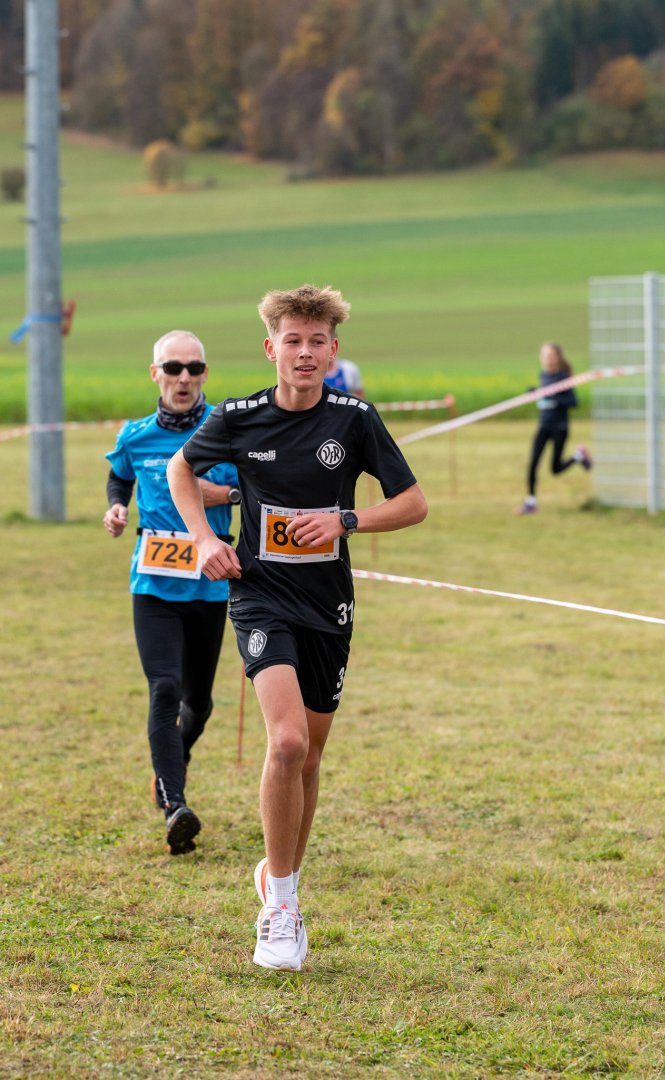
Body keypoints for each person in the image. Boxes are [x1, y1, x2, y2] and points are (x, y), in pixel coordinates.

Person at [167, 284, 427, 970]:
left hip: (328, 607)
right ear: (271, 348)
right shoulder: (239, 417)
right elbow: (180, 470)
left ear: (333, 351)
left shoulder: (355, 420)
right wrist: (203, 539)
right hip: (260, 597)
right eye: (293, 341)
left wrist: (347, 520)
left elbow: (413, 503)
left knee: (309, 758)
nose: (305, 353)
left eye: (317, 342)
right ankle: (280, 910)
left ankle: (278, 875)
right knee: (285, 743)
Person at [103, 330, 241, 855]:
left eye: (194, 368)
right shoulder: (136, 435)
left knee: (198, 703)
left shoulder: (226, 432)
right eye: (173, 367)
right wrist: (118, 506)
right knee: (164, 689)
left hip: (209, 584)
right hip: (154, 583)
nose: (184, 377)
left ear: (205, 374)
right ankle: (175, 805)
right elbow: (120, 476)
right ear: (155, 374)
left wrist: (223, 494)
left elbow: (254, 489)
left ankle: (171, 763)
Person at [516, 341, 592, 515]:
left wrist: (553, 397)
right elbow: (544, 399)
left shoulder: (564, 378)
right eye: (544, 356)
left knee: (555, 469)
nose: (547, 359)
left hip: (560, 427)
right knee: (532, 464)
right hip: (544, 426)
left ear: (558, 358)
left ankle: (578, 456)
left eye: (550, 356)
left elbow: (573, 402)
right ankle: (531, 502)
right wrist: (535, 393)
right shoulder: (543, 375)